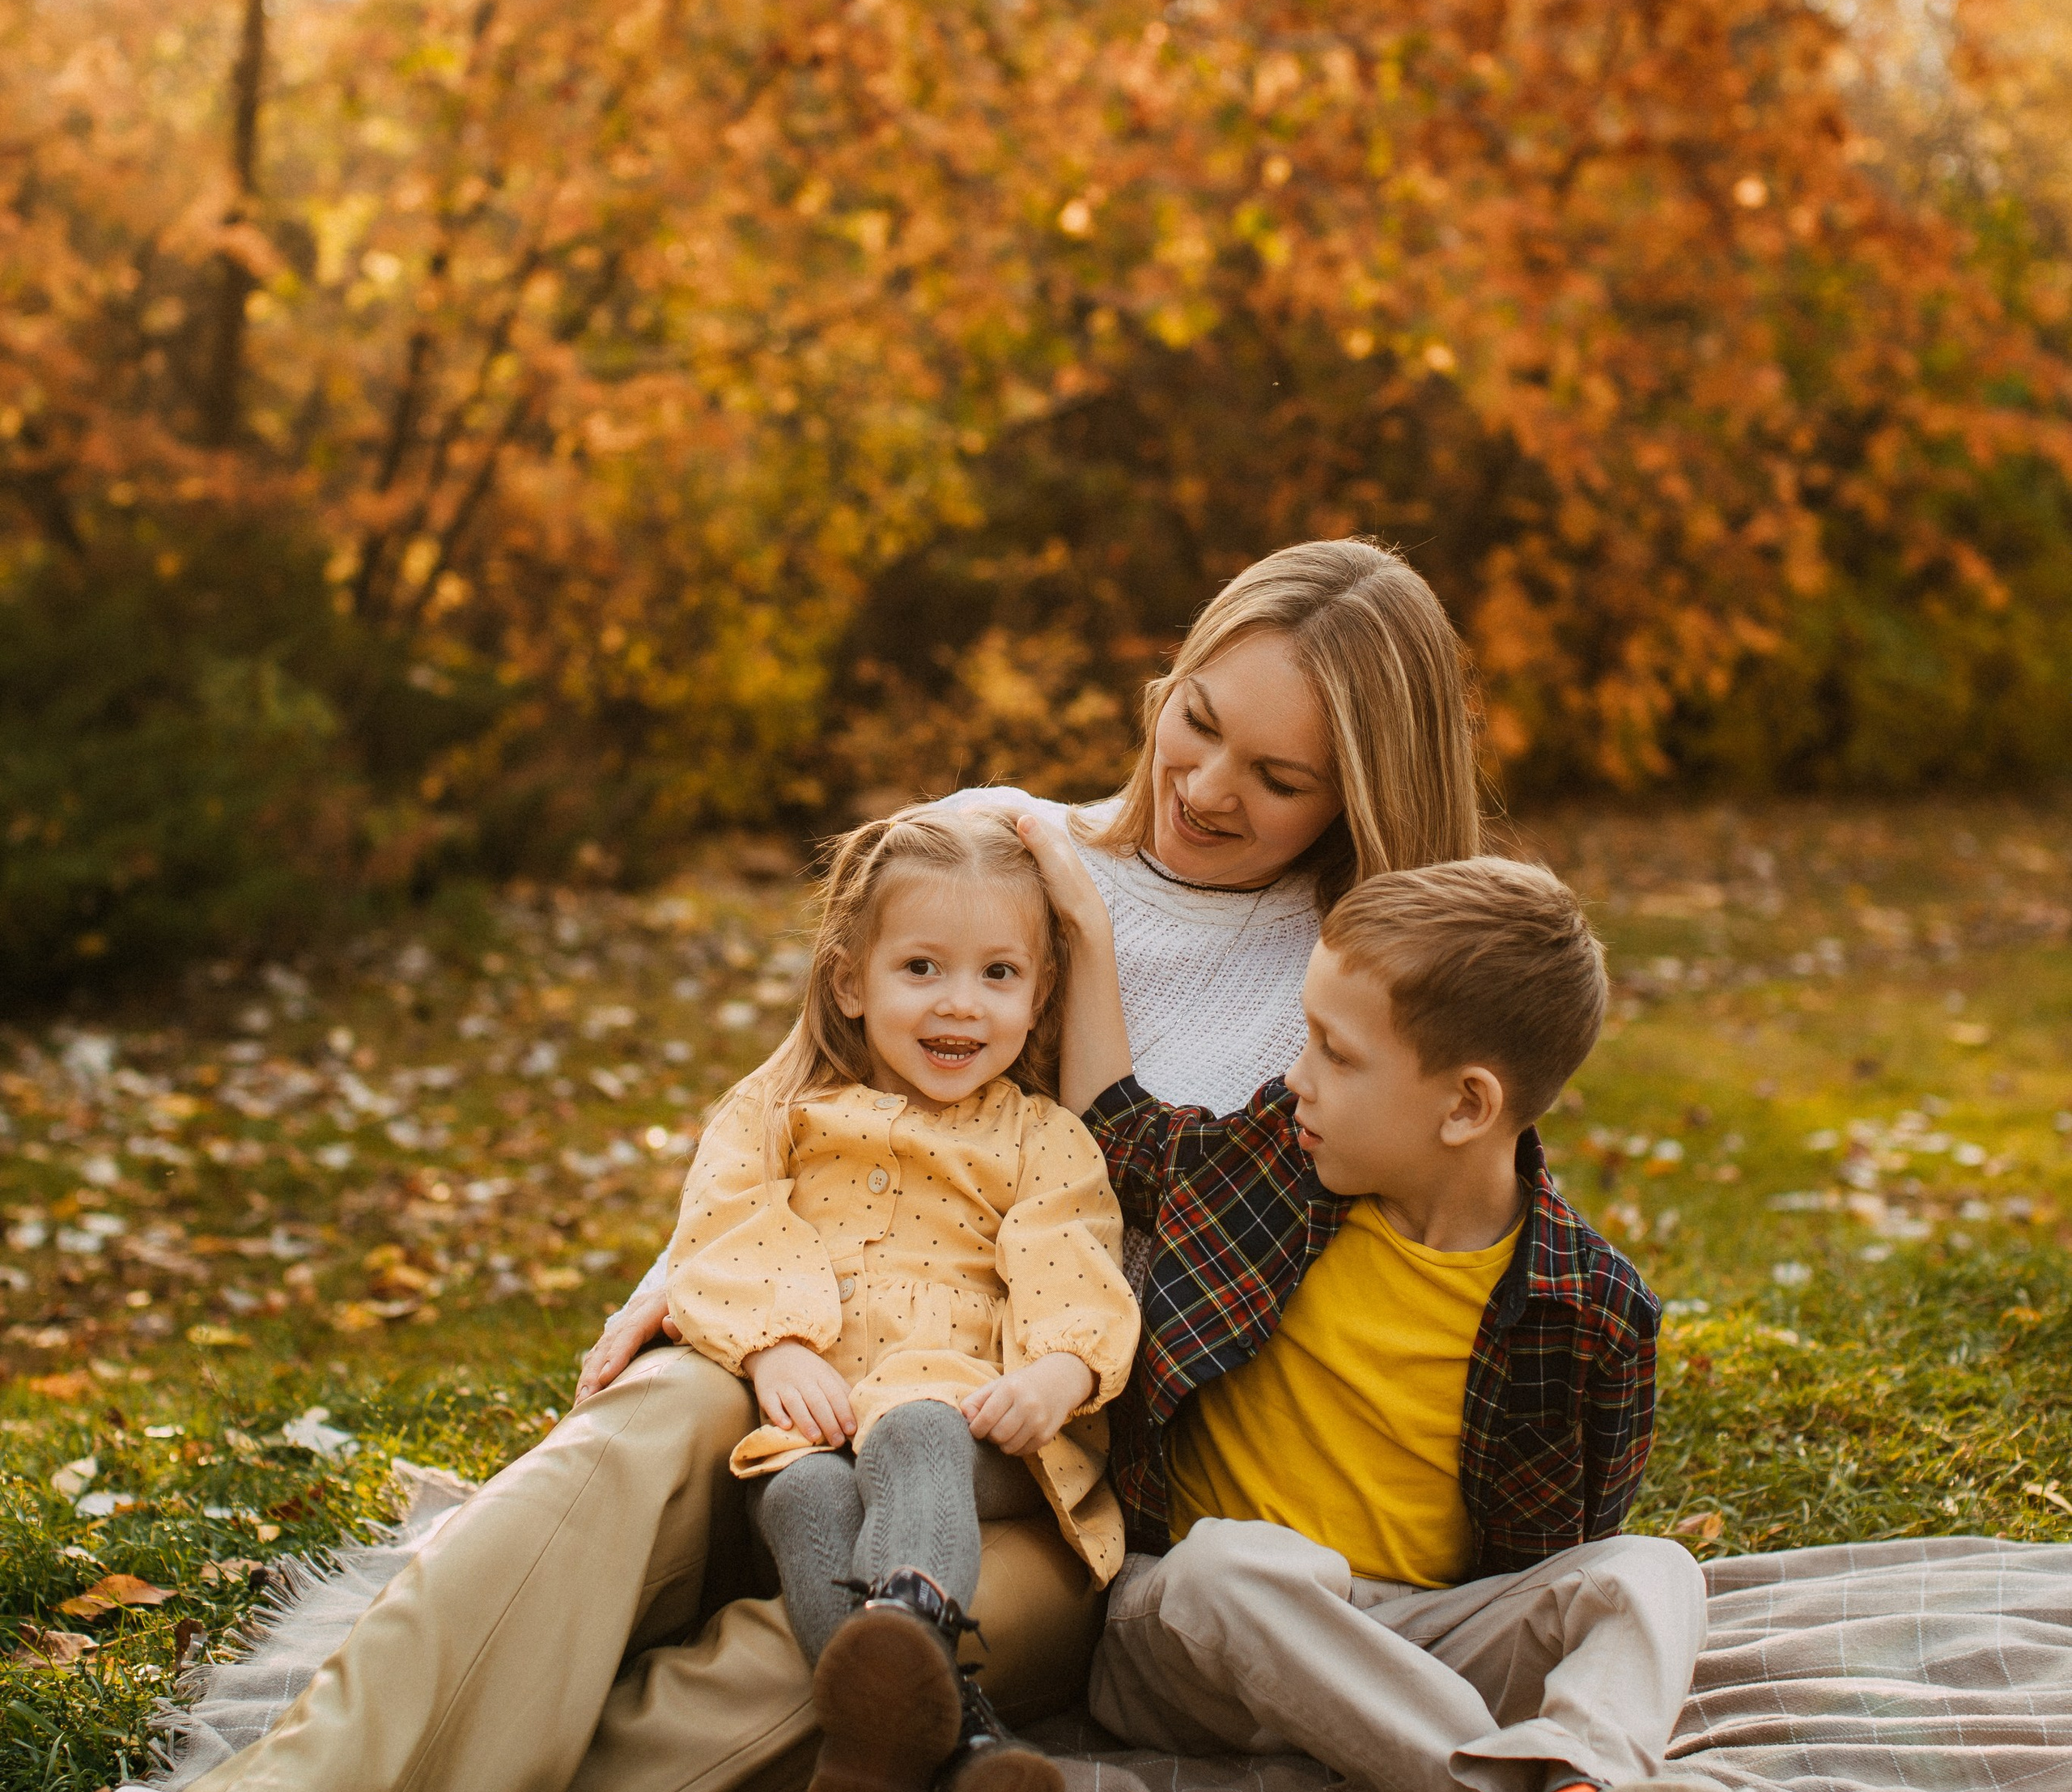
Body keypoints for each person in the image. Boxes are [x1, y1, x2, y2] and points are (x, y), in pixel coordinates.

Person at [187, 537, 1483, 1792]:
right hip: (796, 1348)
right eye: (1195, 722)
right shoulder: (986, 841)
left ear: (1355, 799)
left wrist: (1088, 939)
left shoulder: (1337, 994)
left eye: (1278, 777)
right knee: (619, 1456)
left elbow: (1162, 1231)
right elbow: (792, 1105)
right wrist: (689, 1291)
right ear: (1165, 684)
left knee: (843, 1662)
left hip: (1026, 1458)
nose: (1205, 789)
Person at [1019, 844, 1710, 1792]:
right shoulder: (1278, 1162)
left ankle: (1584, 1772)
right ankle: (1493, 1781)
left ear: (1466, 1105)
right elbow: (1119, 1134)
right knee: (1236, 1568)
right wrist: (1090, 934)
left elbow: (1561, 1547)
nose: (1297, 1075)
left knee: (1650, 1573)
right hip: (1199, 1628)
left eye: (1334, 1054)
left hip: (1414, 1649)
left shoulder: (1591, 1309)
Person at [664, 808, 1138, 1792]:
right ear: (851, 980)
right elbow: (723, 1219)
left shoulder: (1038, 1137)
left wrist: (1058, 1371)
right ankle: (938, 1743)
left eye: (997, 975)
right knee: (799, 1492)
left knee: (913, 1432)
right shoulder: (786, 1113)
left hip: (979, 1428)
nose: (958, 1005)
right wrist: (772, 1347)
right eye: (920, 968)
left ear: (1039, 991)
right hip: (820, 1422)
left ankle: (909, 1631)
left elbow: (1075, 1253)